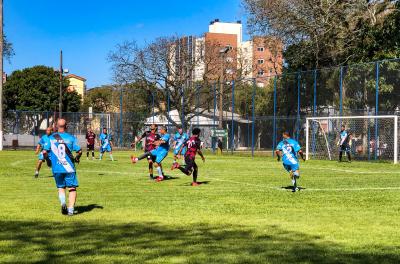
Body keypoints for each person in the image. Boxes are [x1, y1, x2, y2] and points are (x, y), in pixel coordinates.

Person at [42, 119, 82, 216]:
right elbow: (79, 151)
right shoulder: (71, 138)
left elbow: (44, 152)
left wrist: (48, 161)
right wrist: (77, 157)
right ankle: (71, 210)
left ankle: (63, 203)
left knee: (61, 187)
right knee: (72, 188)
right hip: (69, 168)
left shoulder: (51, 138)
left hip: (57, 168)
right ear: (66, 126)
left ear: (56, 126)